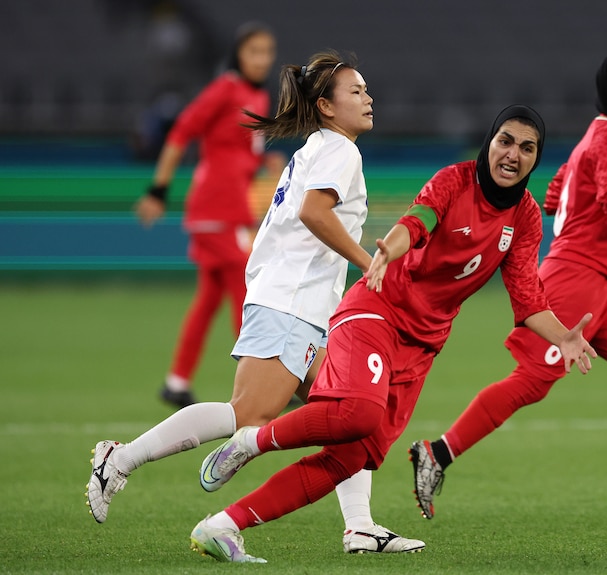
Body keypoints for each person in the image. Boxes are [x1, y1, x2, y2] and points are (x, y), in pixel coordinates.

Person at [186, 104, 598, 564]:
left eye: (527, 148)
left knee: (349, 458)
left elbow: (527, 297)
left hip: (422, 347)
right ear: (489, 142)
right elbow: (414, 223)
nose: (513, 155)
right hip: (376, 310)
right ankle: (251, 441)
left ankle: (222, 526)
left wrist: (562, 336)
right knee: (358, 413)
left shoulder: (524, 217)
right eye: (505, 141)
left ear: (536, 159)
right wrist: (385, 254)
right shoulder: (453, 181)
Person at [87, 49, 424, 556]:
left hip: (303, 305)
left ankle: (360, 526)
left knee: (351, 416)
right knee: (250, 415)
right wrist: (365, 259)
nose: (368, 97)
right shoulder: (339, 151)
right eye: (356, 91)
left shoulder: (319, 147)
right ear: (327, 107)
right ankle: (120, 459)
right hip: (290, 302)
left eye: (366, 89)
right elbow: (314, 212)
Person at [409, 52, 607, 520]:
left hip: (602, 284)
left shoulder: (596, 136)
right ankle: (437, 453)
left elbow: (557, 194)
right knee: (533, 381)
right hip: (576, 279)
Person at [135, 22, 282, 409]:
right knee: (247, 291)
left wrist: (262, 159)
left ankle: (177, 382)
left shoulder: (256, 97)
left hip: (224, 210)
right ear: (238, 54)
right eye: (254, 51)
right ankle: (264, 382)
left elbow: (236, 152)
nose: (262, 59)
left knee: (210, 298)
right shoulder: (226, 89)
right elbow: (182, 131)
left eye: (267, 52)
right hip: (218, 211)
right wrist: (158, 189)